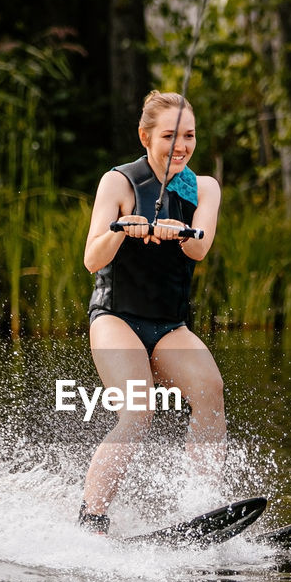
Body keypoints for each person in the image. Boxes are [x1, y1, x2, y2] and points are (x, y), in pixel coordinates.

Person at [78, 91, 224, 535]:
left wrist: (180, 232)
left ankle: (201, 508)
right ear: (146, 137)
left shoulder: (204, 188)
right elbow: (91, 258)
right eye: (170, 136)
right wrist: (122, 229)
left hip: (169, 325)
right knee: (138, 410)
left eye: (189, 136)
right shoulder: (118, 183)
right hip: (115, 317)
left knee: (211, 392)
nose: (181, 145)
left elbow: (199, 249)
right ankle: (92, 520)